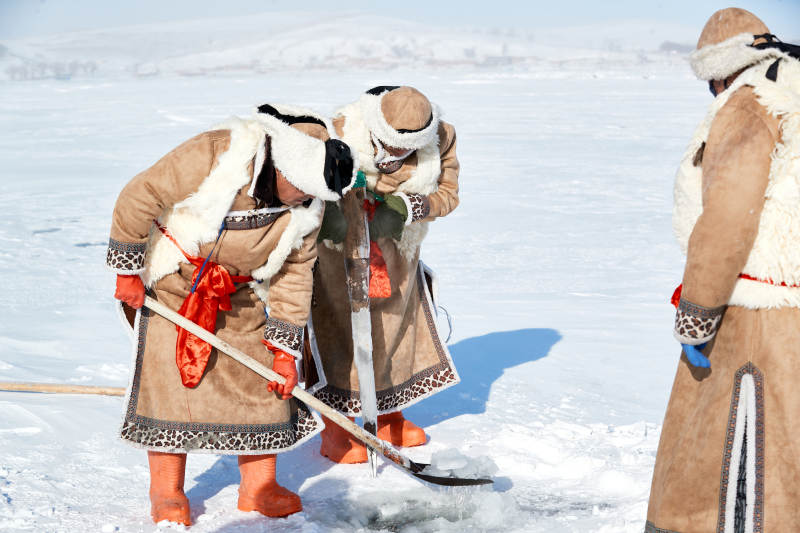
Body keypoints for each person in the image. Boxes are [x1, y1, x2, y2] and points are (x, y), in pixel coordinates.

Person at [107, 104, 355, 525]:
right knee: (171, 388)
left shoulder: (310, 201)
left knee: (264, 386)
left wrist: (285, 352)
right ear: (285, 170)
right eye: (303, 192)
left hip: (241, 292)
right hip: (174, 285)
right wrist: (127, 272)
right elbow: (140, 194)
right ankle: (167, 491)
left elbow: (295, 273)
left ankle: (258, 488)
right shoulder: (217, 153)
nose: (308, 201)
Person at [646, 8, 800, 533]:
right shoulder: (791, 95)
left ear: (720, 69)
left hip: (755, 313)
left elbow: (730, 216)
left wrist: (697, 311)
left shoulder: (751, 104)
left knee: (717, 459)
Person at [307, 86, 461, 463]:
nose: (393, 154)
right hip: (338, 254)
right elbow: (308, 189)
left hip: (399, 252)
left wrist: (407, 207)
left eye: (403, 150)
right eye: (388, 144)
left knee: (395, 332)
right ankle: (337, 427)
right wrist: (334, 218)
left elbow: (449, 194)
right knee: (339, 334)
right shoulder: (338, 131)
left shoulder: (442, 137)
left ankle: (390, 415)